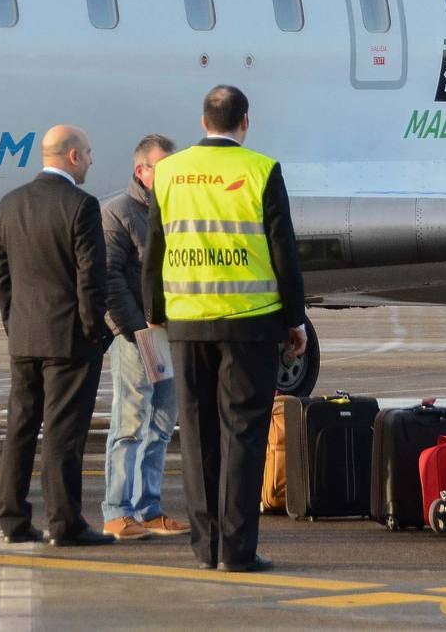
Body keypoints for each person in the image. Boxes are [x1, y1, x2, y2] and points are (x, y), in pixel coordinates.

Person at [144, 85, 308, 573]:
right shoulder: (260, 169)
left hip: (187, 324)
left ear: (202, 122)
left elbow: (154, 247)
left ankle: (205, 548)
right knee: (244, 435)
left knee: (195, 437)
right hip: (249, 325)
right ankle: (236, 551)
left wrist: (155, 312)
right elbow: (285, 252)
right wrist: (293, 318)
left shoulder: (169, 172)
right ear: (245, 122)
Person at [0, 125, 112, 547]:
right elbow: (91, 278)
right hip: (68, 339)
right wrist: (95, 331)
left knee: (20, 429)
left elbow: (0, 275)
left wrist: (15, 323)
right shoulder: (81, 206)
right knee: (63, 434)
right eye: (90, 153)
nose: (93, 161)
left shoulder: (10, 204)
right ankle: (64, 522)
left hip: (24, 336)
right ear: (73, 156)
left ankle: (13, 518)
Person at [99, 133, 189, 542]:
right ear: (142, 170)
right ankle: (117, 511)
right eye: (164, 167)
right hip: (139, 335)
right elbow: (109, 278)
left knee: (162, 424)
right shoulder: (118, 212)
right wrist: (136, 331)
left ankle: (148, 508)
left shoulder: (178, 211)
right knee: (130, 424)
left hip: (172, 332)